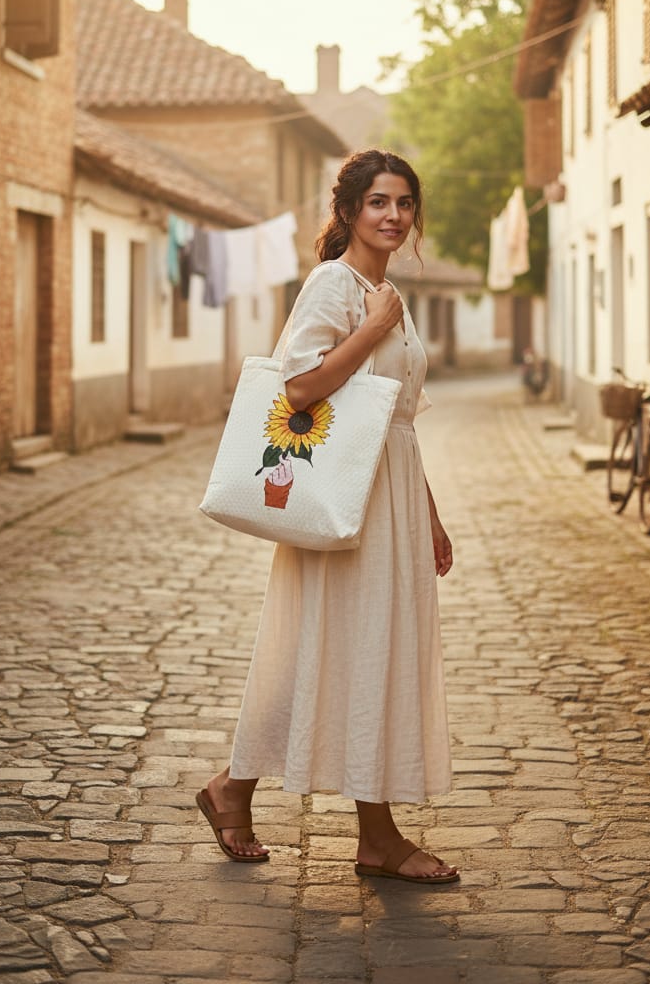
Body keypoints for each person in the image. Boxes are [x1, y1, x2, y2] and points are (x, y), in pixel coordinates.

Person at [197, 149, 458, 884]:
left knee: (348, 651)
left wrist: (430, 517)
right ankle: (374, 837)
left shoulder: (386, 294)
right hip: (343, 500)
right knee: (341, 648)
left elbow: (398, 423)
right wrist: (371, 330)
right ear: (347, 213)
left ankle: (234, 789)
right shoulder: (334, 287)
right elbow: (302, 390)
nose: (394, 216)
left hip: (392, 497)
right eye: (378, 202)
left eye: (404, 203)